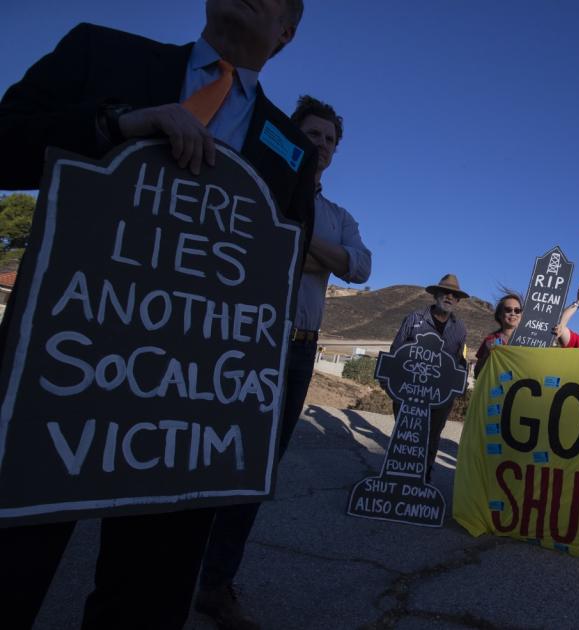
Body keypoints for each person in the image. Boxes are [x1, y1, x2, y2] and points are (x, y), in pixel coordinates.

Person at [0, 2, 316, 628]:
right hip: (60, 373)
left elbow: (278, 272)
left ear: (287, 32)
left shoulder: (290, 151)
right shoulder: (103, 54)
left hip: (187, 410)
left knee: (144, 601)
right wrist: (116, 125)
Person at [195, 96, 371, 629]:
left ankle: (215, 583)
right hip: (246, 337)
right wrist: (322, 254)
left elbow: (359, 266)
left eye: (329, 140)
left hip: (300, 348)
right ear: (292, 138)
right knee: (210, 450)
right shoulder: (256, 188)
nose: (320, 145)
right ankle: (170, 566)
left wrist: (297, 234)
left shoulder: (339, 216)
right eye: (312, 135)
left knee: (258, 469)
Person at [391, 274, 469, 481]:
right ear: (436, 294)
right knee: (406, 432)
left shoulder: (460, 328)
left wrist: (459, 386)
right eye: (445, 292)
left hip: (441, 396)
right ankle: (399, 477)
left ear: (458, 300)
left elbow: (460, 360)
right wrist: (389, 384)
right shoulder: (414, 318)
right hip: (409, 391)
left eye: (454, 295)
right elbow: (396, 350)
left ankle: (423, 477)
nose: (449, 297)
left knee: (433, 437)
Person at [474, 292, 523, 377]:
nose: (513, 313)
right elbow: (477, 373)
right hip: (496, 389)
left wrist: (554, 338)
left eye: (517, 310)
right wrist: (486, 355)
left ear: (521, 315)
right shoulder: (490, 340)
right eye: (508, 310)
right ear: (500, 314)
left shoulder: (530, 340)